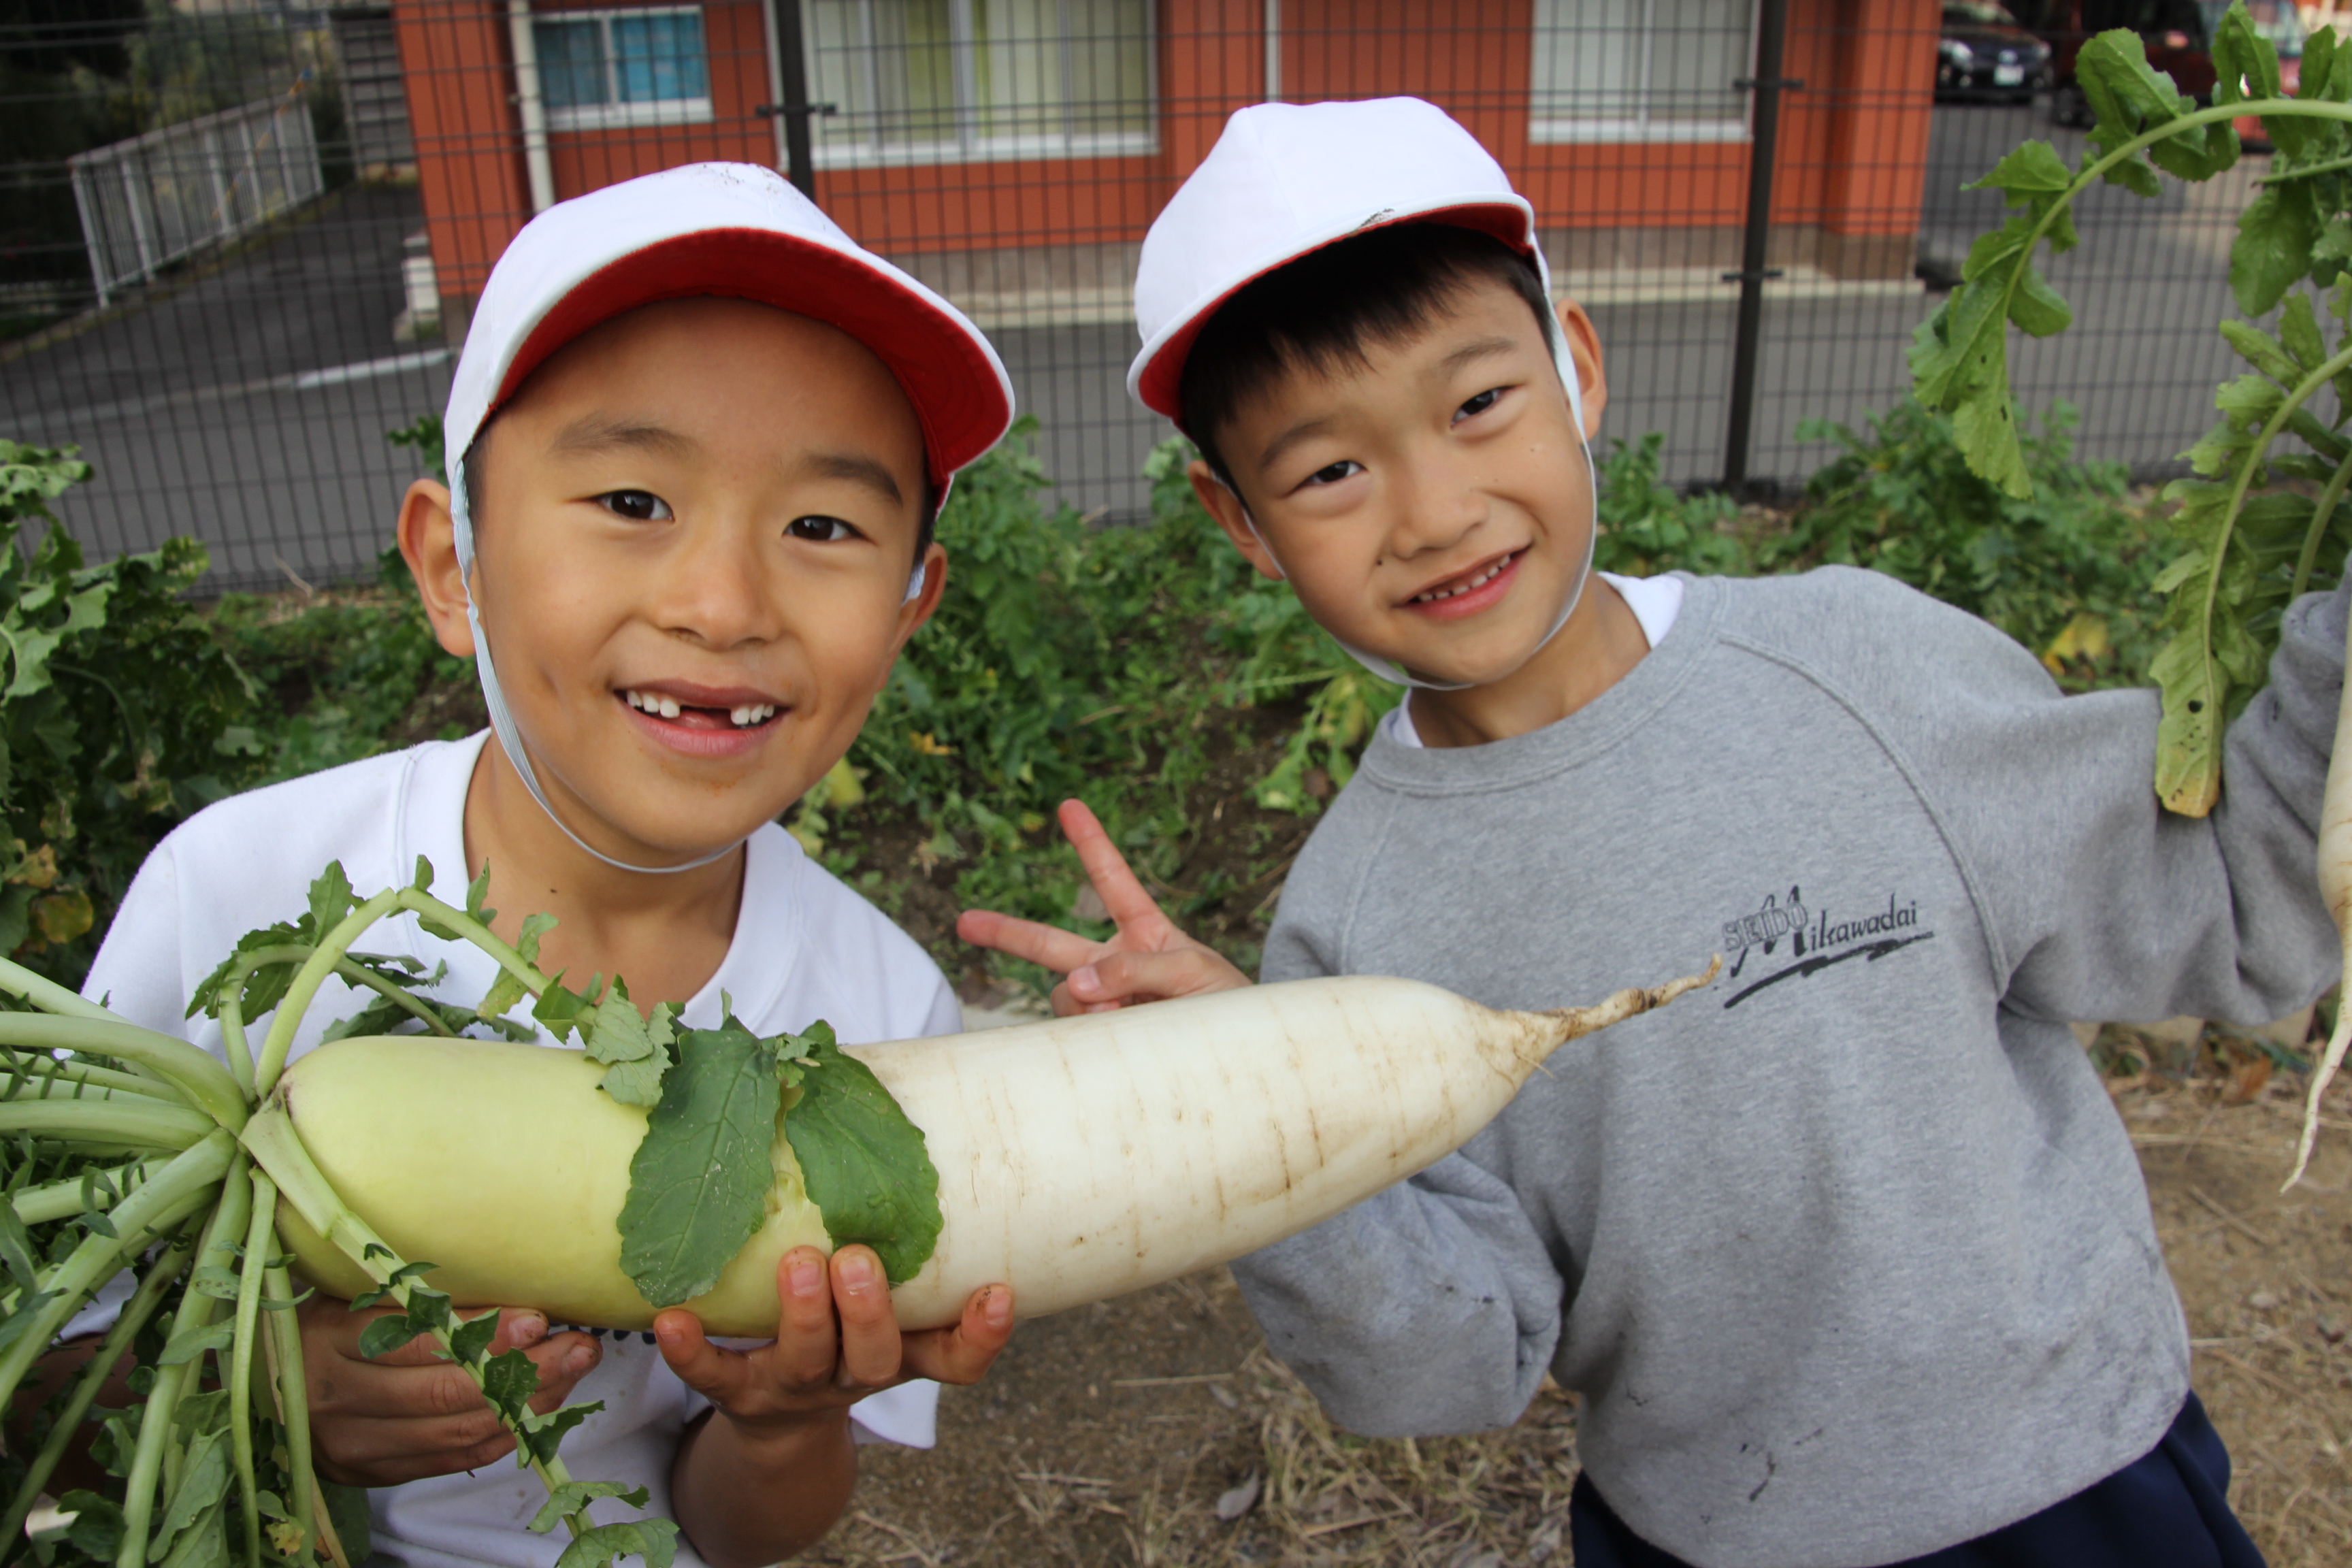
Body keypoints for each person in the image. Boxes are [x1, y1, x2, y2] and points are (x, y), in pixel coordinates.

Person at [959, 97, 2334, 1567]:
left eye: (1478, 403)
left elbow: (2238, 907)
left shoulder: (1862, 670)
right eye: (1329, 473)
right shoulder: (1355, 923)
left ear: (1580, 372)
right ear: (1242, 523)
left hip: (2082, 1489)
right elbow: (1448, 1365)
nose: (1431, 511)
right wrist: (1242, 1115)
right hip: (1705, 1539)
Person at [72, 162, 1018, 1568]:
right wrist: (252, 1391)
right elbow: (58, 1376)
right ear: (454, 568)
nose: (724, 604)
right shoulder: (238, 895)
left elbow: (746, 1530)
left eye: (824, 527)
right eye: (634, 499)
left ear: (909, 606)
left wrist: (779, 1423)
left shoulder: (883, 1019)